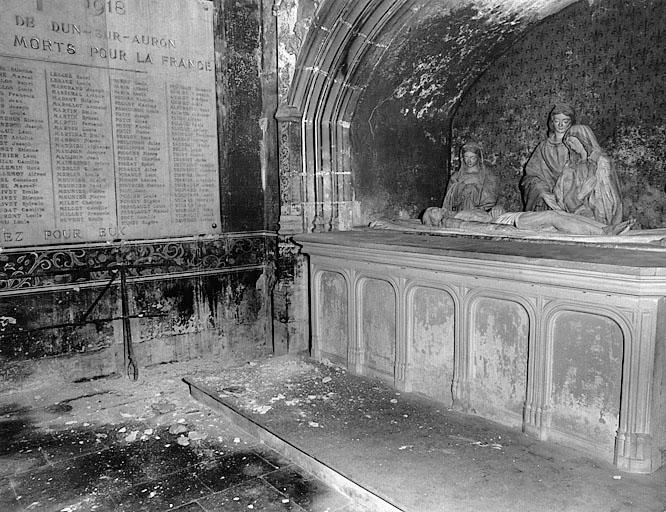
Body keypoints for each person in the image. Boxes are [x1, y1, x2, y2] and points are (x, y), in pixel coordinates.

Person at [555, 124, 623, 225]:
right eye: (568, 143)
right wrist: (580, 195)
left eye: (573, 142)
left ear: (583, 140)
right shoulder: (571, 166)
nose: (570, 146)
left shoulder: (601, 162)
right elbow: (563, 195)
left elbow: (607, 196)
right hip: (576, 213)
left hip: (597, 215)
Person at [421, 206, 632, 236]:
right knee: (553, 216)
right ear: (435, 219)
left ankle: (604, 228)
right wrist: (501, 224)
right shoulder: (450, 221)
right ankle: (603, 232)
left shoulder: (458, 213)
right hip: (511, 223)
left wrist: (496, 210)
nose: (438, 208)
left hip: (507, 218)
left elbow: (485, 217)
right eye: (434, 211)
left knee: (558, 215)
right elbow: (482, 227)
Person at [520, 103, 577, 211]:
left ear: (570, 123)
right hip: (547, 196)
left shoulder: (576, 146)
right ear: (552, 122)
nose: (560, 125)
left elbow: (583, 173)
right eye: (557, 121)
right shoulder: (543, 147)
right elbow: (531, 177)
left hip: (571, 194)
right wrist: (542, 191)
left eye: (565, 121)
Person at [442, 142, 498, 212]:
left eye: (472, 157)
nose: (469, 160)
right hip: (459, 212)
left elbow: (490, 197)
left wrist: (474, 189)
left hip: (480, 212)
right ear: (462, 158)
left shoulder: (487, 176)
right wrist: (461, 187)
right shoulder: (456, 176)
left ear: (478, 158)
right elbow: (449, 199)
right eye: (466, 157)